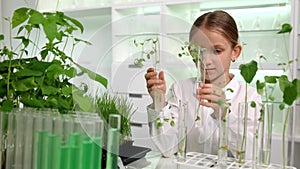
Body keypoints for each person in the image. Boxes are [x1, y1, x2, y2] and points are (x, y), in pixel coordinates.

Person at [144, 10, 261, 158]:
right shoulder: (181, 90)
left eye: (217, 51)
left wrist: (223, 113)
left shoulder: (248, 97)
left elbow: (250, 156)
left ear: (235, 52)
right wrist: (158, 101)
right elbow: (167, 148)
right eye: (198, 51)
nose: (205, 61)